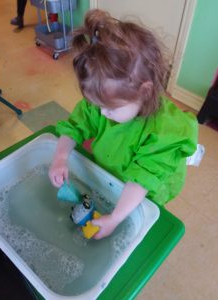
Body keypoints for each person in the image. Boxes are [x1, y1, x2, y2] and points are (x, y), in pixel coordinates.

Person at [49, 9, 198, 239]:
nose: (102, 113)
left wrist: (116, 218)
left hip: (146, 185)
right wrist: (60, 158)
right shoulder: (107, 101)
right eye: (97, 105)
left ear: (145, 91)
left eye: (110, 108)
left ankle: (188, 154)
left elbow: (141, 181)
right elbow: (77, 125)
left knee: (135, 213)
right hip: (116, 167)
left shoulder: (164, 133)